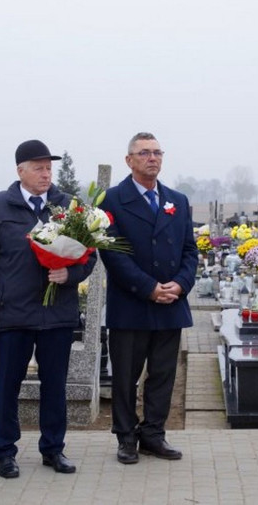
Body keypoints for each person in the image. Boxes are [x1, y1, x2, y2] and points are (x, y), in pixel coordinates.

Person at [0, 139, 95, 479]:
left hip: (57, 315)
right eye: (38, 167)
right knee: (8, 387)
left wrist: (71, 274)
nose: (45, 173)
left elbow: (90, 254)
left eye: (49, 167)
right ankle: (5, 452)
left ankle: (53, 449)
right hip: (14, 314)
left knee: (55, 387)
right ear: (20, 171)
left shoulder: (68, 206)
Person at [98, 132, 197, 465]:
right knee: (126, 376)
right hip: (132, 303)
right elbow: (112, 253)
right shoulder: (111, 200)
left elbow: (189, 251)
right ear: (129, 160)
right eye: (144, 153)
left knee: (163, 374)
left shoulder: (177, 200)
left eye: (157, 152)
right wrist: (149, 287)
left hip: (171, 303)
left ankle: (154, 433)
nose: (152, 158)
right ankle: (126, 436)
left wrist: (180, 285)